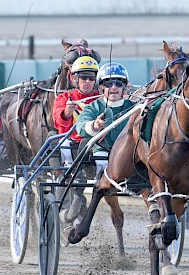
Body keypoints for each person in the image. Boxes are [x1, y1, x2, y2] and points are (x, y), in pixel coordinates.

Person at [52, 55, 101, 225]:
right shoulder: (65, 98)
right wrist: (66, 113)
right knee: (58, 141)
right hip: (72, 144)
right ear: (74, 79)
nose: (87, 82)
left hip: (97, 145)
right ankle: (70, 177)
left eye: (91, 78)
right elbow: (59, 125)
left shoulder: (102, 99)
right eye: (83, 78)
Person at [75, 62, 136, 178]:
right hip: (102, 153)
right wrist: (95, 125)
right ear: (101, 86)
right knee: (102, 167)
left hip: (129, 154)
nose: (113, 87)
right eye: (108, 84)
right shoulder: (93, 107)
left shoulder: (135, 107)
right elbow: (81, 126)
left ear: (124, 87)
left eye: (118, 83)